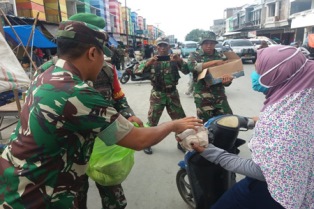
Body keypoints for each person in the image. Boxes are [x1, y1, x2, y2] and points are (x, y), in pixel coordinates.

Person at [0, 17, 203, 209]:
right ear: (92, 53)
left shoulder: (45, 75)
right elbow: (138, 140)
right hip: (40, 193)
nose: (104, 62)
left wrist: (126, 114)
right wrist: (173, 125)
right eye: (102, 55)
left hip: (18, 178)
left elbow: (116, 97)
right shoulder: (76, 92)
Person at [35, 13, 142, 209]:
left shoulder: (107, 69)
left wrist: (128, 114)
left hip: (105, 143)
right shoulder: (47, 72)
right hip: (71, 151)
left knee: (115, 199)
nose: (102, 54)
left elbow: (118, 98)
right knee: (76, 198)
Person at [190, 45, 314, 209]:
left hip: (275, 192)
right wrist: (254, 121)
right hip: (304, 181)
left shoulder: (281, 122)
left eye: (259, 70)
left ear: (277, 76)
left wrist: (212, 153)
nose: (254, 75)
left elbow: (261, 171)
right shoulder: (302, 96)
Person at [137, 37, 190, 154]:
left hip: (172, 94)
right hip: (157, 94)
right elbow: (136, 71)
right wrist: (148, 63)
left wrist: (179, 60)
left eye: (164, 46)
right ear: (157, 47)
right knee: (152, 121)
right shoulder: (152, 60)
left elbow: (187, 70)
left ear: (169, 47)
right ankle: (147, 143)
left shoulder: (174, 59)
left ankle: (181, 142)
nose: (162, 48)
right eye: (160, 46)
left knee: (180, 120)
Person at [187, 32, 234, 122]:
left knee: (228, 121)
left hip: (219, 95)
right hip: (202, 96)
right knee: (206, 124)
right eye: (206, 43)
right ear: (201, 44)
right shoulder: (194, 55)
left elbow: (228, 76)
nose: (209, 46)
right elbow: (192, 67)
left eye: (212, 43)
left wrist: (227, 81)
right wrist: (214, 62)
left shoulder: (221, 56)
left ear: (215, 44)